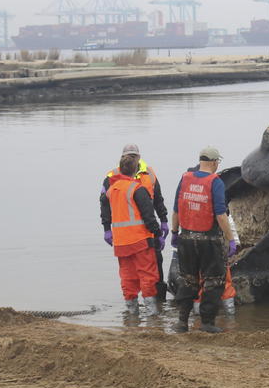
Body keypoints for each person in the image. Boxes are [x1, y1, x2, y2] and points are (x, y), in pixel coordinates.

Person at [170, 146, 237, 333]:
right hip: (209, 241)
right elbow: (221, 215)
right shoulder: (215, 182)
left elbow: (176, 210)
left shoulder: (185, 179)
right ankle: (207, 322)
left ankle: (182, 321)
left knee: (188, 280)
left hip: (186, 239)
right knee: (213, 281)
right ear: (214, 163)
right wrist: (231, 239)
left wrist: (174, 232)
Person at [100, 143, 169, 301]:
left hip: (138, 234)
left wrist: (164, 220)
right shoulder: (112, 177)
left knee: (152, 269)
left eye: (133, 155)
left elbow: (158, 199)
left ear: (139, 157)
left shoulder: (149, 174)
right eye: (128, 156)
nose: (131, 158)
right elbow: (104, 204)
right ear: (123, 157)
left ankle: (155, 305)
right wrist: (106, 228)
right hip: (141, 235)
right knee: (143, 274)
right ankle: (152, 310)